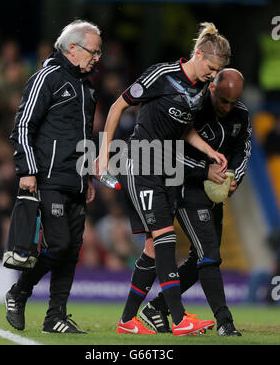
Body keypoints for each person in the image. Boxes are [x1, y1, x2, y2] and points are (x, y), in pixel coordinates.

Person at [96, 22, 231, 336]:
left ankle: (127, 321)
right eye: (212, 68)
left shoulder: (199, 90)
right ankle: (180, 318)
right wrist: (104, 154)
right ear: (198, 53)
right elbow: (117, 106)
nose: (214, 75)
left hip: (166, 169)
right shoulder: (162, 75)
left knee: (154, 247)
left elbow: (184, 128)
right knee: (166, 238)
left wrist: (211, 152)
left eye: (218, 71)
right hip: (141, 162)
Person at [4, 20, 102, 334]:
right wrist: (28, 169)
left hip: (75, 181)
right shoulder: (46, 77)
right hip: (46, 177)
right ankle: (19, 292)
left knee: (72, 250)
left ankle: (55, 317)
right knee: (58, 245)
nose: (97, 58)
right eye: (93, 51)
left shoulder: (87, 87)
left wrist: (87, 177)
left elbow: (85, 137)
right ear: (72, 48)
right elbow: (23, 126)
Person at [139, 69, 251, 336]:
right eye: (223, 100)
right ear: (212, 89)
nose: (227, 107)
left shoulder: (241, 114)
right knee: (209, 255)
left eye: (233, 102)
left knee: (199, 259)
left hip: (214, 193)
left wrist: (235, 177)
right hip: (186, 190)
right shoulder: (191, 109)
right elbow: (171, 151)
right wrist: (204, 171)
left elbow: (243, 149)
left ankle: (156, 307)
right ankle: (225, 322)